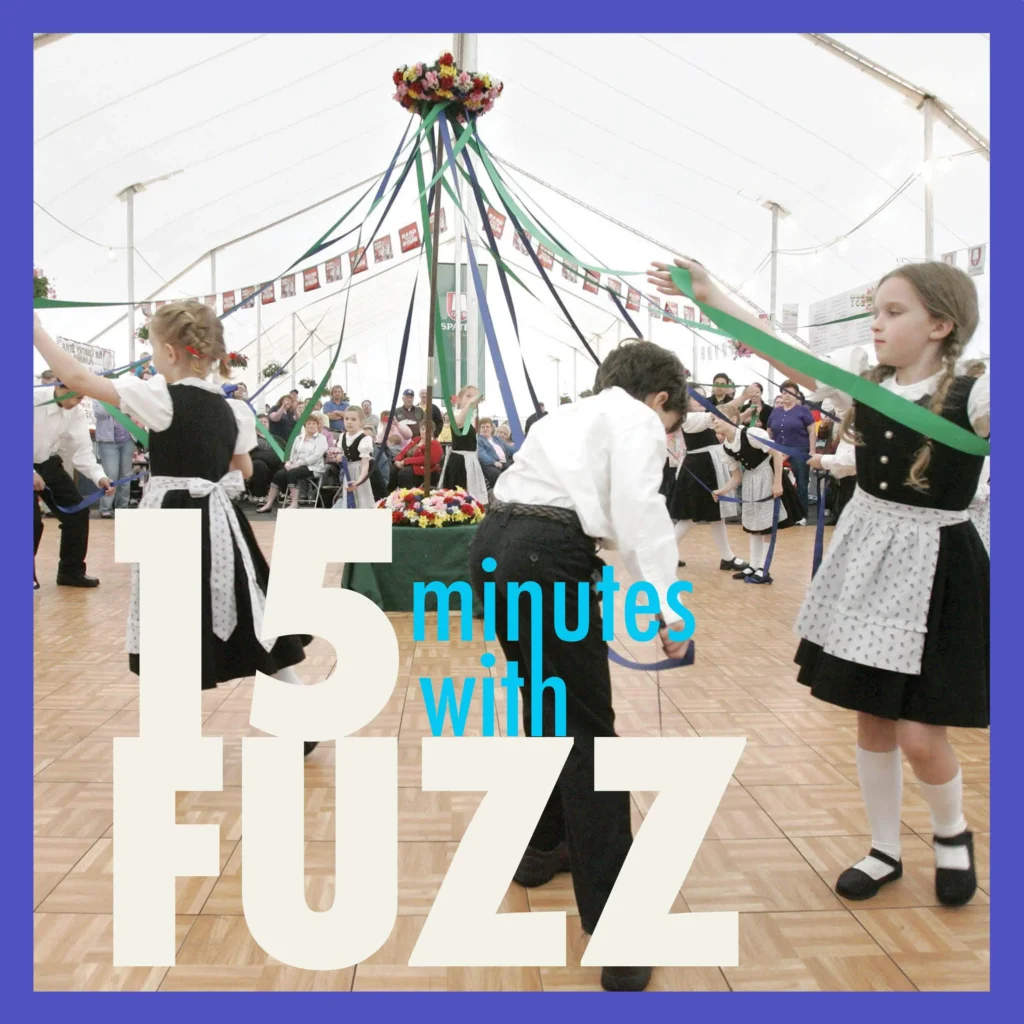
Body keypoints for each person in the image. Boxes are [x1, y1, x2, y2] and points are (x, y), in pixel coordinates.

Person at [650, 255, 988, 907]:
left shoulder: (975, 390)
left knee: (922, 733)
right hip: (869, 556)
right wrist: (712, 290)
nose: (878, 327)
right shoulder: (862, 385)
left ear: (942, 324)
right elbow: (781, 349)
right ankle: (884, 847)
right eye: (877, 313)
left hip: (939, 562)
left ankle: (951, 833)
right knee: (872, 715)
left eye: (894, 313)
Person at [470, 339, 693, 993]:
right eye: (672, 421)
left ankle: (544, 847)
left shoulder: (567, 415)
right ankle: (619, 927)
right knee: (590, 738)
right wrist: (666, 606)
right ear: (660, 400)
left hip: (495, 548)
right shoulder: (637, 420)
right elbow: (641, 509)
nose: (668, 432)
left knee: (548, 709)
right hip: (547, 557)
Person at [34, 304, 321, 754]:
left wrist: (35, 331)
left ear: (169, 352)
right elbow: (244, 468)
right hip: (220, 520)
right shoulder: (233, 409)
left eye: (151, 349)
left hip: (172, 516)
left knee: (172, 622)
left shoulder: (162, 397)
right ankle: (299, 709)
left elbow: (80, 379)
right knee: (248, 610)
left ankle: (176, 737)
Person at [711, 401, 803, 584]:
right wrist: (722, 491)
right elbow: (736, 476)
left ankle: (763, 567)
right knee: (754, 524)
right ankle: (753, 565)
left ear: (733, 419)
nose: (714, 422)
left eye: (717, 418)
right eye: (712, 419)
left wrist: (777, 483)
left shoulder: (751, 433)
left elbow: (776, 453)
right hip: (751, 480)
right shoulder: (725, 447)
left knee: (767, 524)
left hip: (768, 475)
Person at [34, 379, 114, 587]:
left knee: (77, 512)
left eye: (81, 398)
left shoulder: (76, 413)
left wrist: (99, 477)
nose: (77, 402)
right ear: (60, 387)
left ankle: (71, 572)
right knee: (32, 522)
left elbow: (82, 451)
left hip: (47, 463)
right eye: (75, 396)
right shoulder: (33, 400)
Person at [668, 388, 747, 572]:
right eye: (696, 397)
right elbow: (717, 416)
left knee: (714, 515)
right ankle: (665, 554)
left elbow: (722, 423)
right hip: (699, 468)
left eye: (702, 397)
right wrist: (743, 397)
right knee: (690, 517)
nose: (701, 400)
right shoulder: (687, 417)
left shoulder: (700, 416)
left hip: (709, 465)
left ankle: (727, 557)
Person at [257, 416, 329, 512]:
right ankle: (269, 504)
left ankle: (294, 503)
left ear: (317, 426)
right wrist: (288, 463)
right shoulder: (298, 438)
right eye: (309, 424)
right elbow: (291, 453)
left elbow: (317, 456)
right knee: (279, 474)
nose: (311, 426)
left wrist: (299, 464)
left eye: (314, 424)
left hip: (313, 467)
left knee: (293, 473)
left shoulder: (321, 439)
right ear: (305, 426)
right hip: (295, 466)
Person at [767, 380, 816, 518]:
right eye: (784, 393)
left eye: (790, 393)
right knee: (780, 481)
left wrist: (812, 451)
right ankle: (783, 514)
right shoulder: (775, 411)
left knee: (801, 482)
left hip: (799, 450)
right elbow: (769, 432)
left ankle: (801, 515)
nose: (786, 395)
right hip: (778, 450)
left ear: (796, 395)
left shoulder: (803, 410)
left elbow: (812, 432)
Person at [439, 386, 487, 502]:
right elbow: (458, 423)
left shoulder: (472, 417)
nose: (472, 399)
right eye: (468, 396)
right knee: (458, 498)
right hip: (459, 462)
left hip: (469, 461)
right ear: (459, 399)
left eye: (474, 397)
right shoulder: (456, 414)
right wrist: (470, 403)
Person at [92, 398, 136, 519]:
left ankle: (122, 507)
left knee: (126, 475)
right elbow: (100, 413)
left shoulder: (126, 393)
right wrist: (114, 401)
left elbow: (134, 410)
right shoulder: (98, 395)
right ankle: (106, 508)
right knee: (111, 474)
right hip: (107, 441)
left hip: (128, 439)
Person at [334, 406, 377, 509]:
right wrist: (340, 456)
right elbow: (343, 453)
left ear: (361, 422)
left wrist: (359, 481)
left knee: (362, 498)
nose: (349, 422)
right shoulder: (342, 436)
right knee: (349, 498)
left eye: (353, 419)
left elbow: (365, 464)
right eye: (346, 419)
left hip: (360, 472)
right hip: (348, 472)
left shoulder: (365, 439)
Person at [393, 422, 442, 489]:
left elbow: (430, 460)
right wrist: (397, 460)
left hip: (424, 470)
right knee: (392, 469)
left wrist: (406, 461)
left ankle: (407, 495)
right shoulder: (416, 439)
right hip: (406, 465)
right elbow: (403, 452)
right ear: (419, 430)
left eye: (428, 429)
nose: (424, 431)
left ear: (432, 431)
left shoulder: (435, 443)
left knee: (405, 473)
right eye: (422, 429)